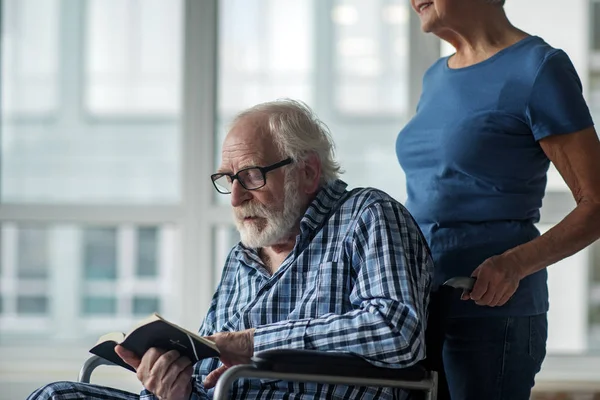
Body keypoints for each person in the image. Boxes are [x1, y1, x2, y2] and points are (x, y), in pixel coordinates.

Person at [28, 99, 433, 400]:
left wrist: (253, 342)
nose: (236, 197)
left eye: (251, 176)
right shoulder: (242, 256)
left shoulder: (367, 216)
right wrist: (173, 387)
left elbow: (397, 332)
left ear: (307, 173)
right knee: (59, 396)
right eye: (227, 179)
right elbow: (208, 369)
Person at [396, 0, 600, 399]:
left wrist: (514, 264)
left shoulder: (538, 69)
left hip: (491, 312)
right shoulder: (435, 77)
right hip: (421, 305)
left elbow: (596, 204)